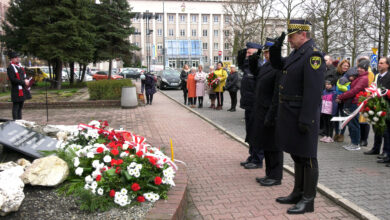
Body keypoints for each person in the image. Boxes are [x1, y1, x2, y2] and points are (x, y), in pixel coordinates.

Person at [269, 19, 325, 214]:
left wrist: (306, 119)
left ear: (303, 34)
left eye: (292, 36)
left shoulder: (313, 55)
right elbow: (277, 65)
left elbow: (313, 91)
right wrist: (276, 47)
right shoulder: (297, 53)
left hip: (302, 114)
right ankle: (297, 192)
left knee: (308, 157)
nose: (290, 40)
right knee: (297, 156)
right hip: (291, 113)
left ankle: (308, 200)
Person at [248, 38, 283, 186]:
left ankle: (275, 176)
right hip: (261, 110)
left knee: (273, 146)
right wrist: (253, 60)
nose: (267, 55)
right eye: (266, 52)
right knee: (266, 144)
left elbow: (277, 94)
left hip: (271, 111)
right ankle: (269, 174)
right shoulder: (267, 66)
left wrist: (272, 113)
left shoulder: (278, 67)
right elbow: (256, 73)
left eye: (269, 52)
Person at [237, 42, 264, 169]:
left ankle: (258, 159)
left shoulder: (258, 67)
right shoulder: (247, 66)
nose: (247, 55)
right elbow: (240, 62)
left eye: (249, 53)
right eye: (247, 52)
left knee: (256, 132)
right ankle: (252, 156)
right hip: (248, 105)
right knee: (250, 132)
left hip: (256, 105)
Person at [336, 60, 369, 151]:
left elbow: (354, 91)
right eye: (358, 67)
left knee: (354, 124)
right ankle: (353, 142)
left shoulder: (363, 78)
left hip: (355, 103)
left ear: (365, 69)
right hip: (352, 102)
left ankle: (355, 143)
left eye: (361, 68)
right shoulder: (359, 77)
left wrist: (341, 96)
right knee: (351, 124)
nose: (359, 69)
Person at [364, 57, 390, 165]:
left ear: (387, 65)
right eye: (379, 63)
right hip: (378, 106)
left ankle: (387, 153)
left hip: (387, 107)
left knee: (387, 132)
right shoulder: (378, 76)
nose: (379, 65)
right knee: (377, 128)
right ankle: (377, 148)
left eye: (382, 63)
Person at [7, 52, 31, 120]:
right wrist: (23, 82)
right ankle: (15, 121)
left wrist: (27, 80)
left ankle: (20, 121)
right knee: (16, 106)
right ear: (12, 59)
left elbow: (24, 76)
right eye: (15, 57)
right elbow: (13, 79)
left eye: (18, 57)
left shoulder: (20, 66)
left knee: (20, 107)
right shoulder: (10, 67)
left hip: (22, 89)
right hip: (16, 90)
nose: (18, 58)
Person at [357, 57, 374, 147]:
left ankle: (364, 139)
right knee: (362, 119)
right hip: (362, 96)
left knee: (365, 120)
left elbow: (368, 85)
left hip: (366, 96)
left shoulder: (369, 73)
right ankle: (362, 139)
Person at [333, 59, 351, 142]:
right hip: (336, 99)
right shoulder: (336, 73)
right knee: (336, 116)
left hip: (345, 99)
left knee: (344, 117)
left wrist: (342, 97)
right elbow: (333, 85)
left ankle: (342, 134)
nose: (346, 67)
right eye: (344, 65)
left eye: (347, 66)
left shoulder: (349, 75)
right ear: (341, 66)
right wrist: (337, 97)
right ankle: (336, 133)